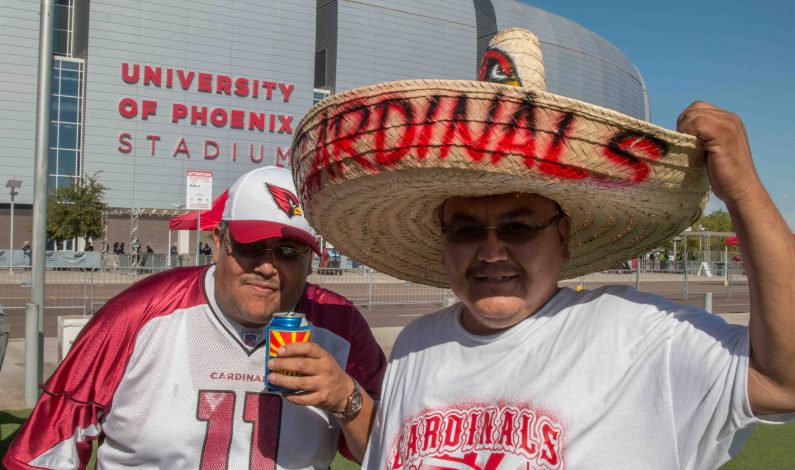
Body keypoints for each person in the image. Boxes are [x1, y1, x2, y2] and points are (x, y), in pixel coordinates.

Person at [289, 29, 794, 468]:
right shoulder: (416, 345)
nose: (490, 252)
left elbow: (782, 381)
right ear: (442, 244)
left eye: (519, 226)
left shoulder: (639, 337)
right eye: (465, 229)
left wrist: (745, 191)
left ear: (564, 237)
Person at [4, 166, 387, 469]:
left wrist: (347, 399)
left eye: (288, 251)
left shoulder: (341, 325)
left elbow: (393, 453)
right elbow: (42, 452)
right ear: (219, 242)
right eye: (252, 246)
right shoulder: (139, 314)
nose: (269, 267)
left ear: (311, 259)